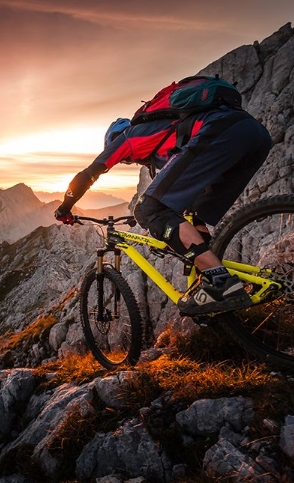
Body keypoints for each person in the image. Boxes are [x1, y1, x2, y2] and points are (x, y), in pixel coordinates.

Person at [53, 81, 272, 316]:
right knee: (195, 214)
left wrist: (65, 207)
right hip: (254, 134)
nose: (130, 161)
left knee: (148, 210)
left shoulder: (127, 137)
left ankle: (221, 283)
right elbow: (189, 182)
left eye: (126, 160)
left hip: (221, 129)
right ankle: (211, 283)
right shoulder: (166, 138)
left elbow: (88, 175)